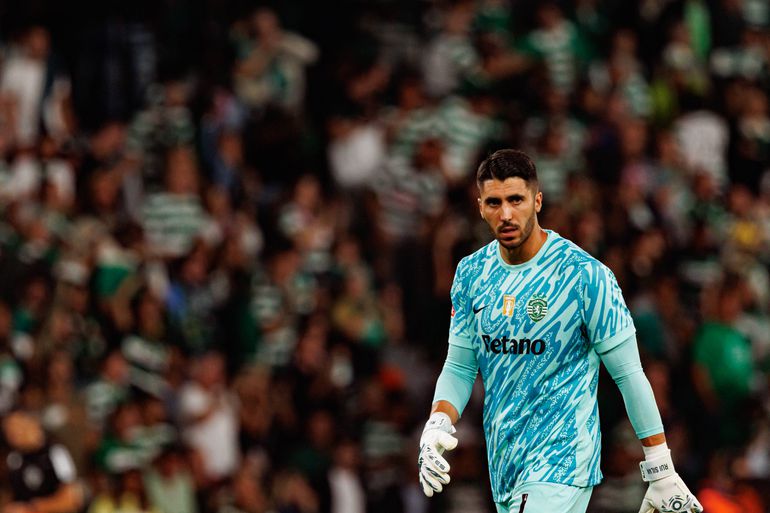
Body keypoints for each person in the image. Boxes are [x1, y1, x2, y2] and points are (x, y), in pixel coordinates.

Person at [417, 150, 703, 513]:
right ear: (480, 207)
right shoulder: (472, 273)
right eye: (494, 203)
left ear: (537, 201)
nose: (506, 214)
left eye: (516, 200)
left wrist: (660, 467)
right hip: (505, 465)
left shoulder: (584, 276)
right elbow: (460, 367)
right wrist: (438, 421)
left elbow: (630, 374)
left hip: (563, 460)